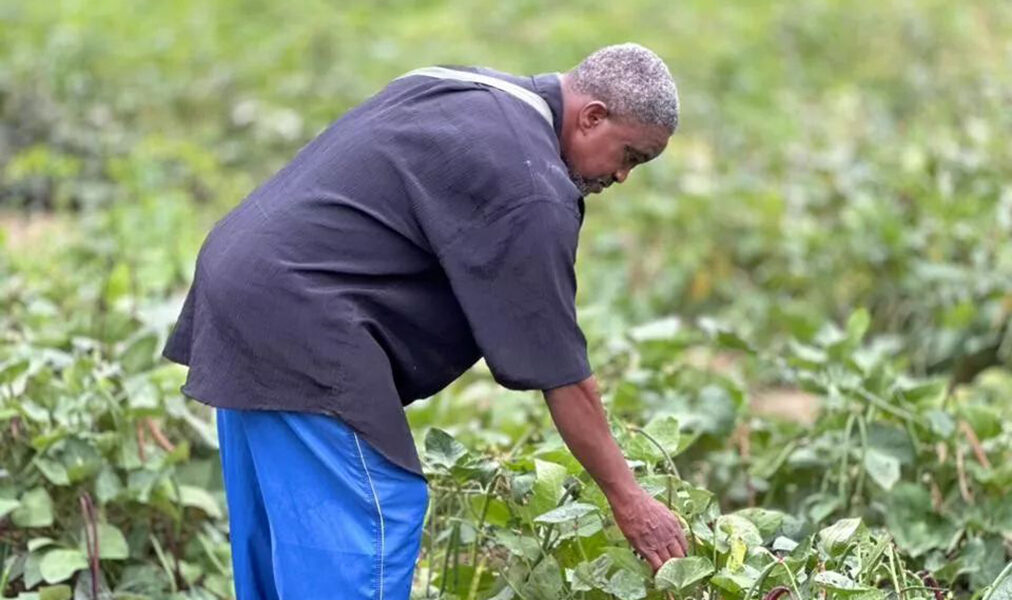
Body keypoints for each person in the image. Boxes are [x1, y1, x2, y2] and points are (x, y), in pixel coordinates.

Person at [163, 42, 686, 599]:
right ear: (592, 116)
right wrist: (630, 499)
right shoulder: (532, 188)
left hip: (242, 290)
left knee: (288, 541)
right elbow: (563, 374)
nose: (624, 176)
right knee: (372, 517)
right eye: (630, 155)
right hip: (300, 314)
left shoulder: (462, 86)